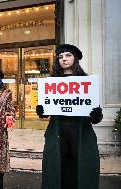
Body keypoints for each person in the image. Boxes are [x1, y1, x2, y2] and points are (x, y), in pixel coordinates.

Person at [36, 44, 103, 189]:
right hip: (58, 133)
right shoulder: (52, 81)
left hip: (80, 132)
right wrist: (42, 110)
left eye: (68, 55)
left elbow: (94, 113)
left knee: (80, 169)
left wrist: (96, 115)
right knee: (58, 169)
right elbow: (48, 109)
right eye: (60, 57)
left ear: (75, 58)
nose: (64, 59)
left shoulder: (85, 80)